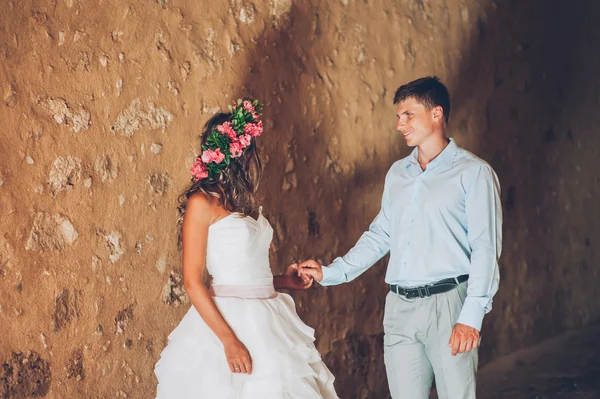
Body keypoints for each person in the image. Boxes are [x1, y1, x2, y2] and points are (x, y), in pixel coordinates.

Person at [299, 77, 502, 399]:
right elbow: (381, 235)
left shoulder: (473, 173)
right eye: (398, 116)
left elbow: (485, 247)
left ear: (436, 114)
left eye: (408, 114)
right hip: (399, 307)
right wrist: (331, 272)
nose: (399, 124)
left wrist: (472, 316)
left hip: (449, 305)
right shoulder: (398, 173)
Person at [154, 98, 338, 399]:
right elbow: (192, 282)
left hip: (269, 317)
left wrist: (285, 281)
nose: (254, 155)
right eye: (250, 147)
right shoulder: (202, 202)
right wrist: (229, 341)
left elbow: (244, 271)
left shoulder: (241, 201)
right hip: (230, 322)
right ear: (233, 150)